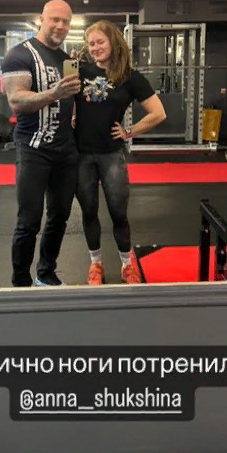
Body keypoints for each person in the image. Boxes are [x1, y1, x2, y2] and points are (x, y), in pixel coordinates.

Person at [74, 20, 166, 285]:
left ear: (113, 42)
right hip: (81, 155)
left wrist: (129, 131)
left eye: (100, 42)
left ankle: (127, 265)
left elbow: (158, 113)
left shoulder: (129, 77)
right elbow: (63, 97)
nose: (95, 48)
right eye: (91, 44)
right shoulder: (79, 71)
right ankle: (96, 264)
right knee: (89, 212)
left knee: (118, 213)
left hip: (111, 154)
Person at [1, 0, 81, 287]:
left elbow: (72, 97)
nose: (60, 25)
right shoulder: (19, 55)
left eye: (66, 21)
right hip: (33, 149)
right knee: (29, 221)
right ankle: (21, 281)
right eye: (54, 19)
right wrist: (54, 93)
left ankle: (46, 273)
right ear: (41, 19)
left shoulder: (67, 59)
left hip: (65, 151)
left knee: (60, 217)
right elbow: (16, 100)